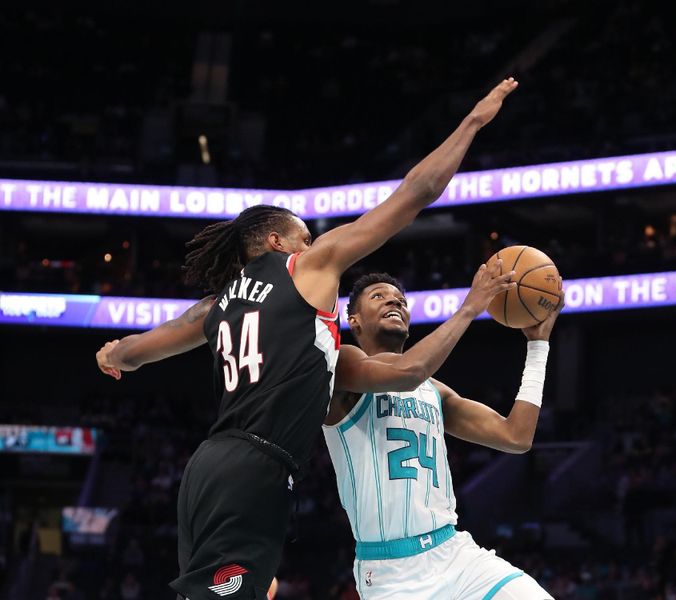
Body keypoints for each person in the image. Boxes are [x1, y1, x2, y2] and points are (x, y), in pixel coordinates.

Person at [95, 78, 519, 600]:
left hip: (206, 467)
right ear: (277, 243)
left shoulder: (214, 305)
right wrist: (473, 122)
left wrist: (111, 353)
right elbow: (416, 194)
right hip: (256, 468)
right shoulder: (304, 268)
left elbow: (134, 354)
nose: (314, 245)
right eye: (304, 237)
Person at [324, 272, 561, 599]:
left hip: (453, 553)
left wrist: (538, 344)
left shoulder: (434, 391)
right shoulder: (343, 368)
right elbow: (407, 373)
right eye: (379, 296)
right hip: (391, 571)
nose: (394, 301)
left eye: (401, 300)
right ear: (354, 320)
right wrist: (470, 307)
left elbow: (516, 436)